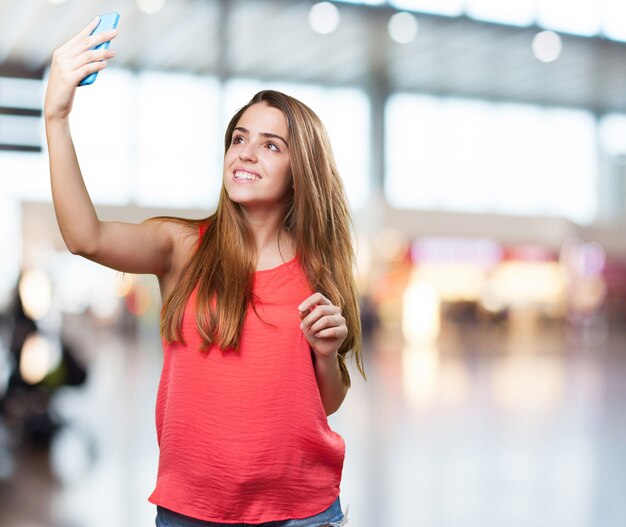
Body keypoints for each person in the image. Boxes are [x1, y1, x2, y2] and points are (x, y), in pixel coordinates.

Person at [44, 16, 365, 527]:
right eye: (239, 138)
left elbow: (323, 402)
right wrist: (56, 116)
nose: (246, 152)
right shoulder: (182, 247)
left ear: (300, 169)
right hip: (191, 510)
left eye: (271, 145)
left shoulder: (318, 267)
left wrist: (327, 356)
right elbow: (86, 237)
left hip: (301, 512)